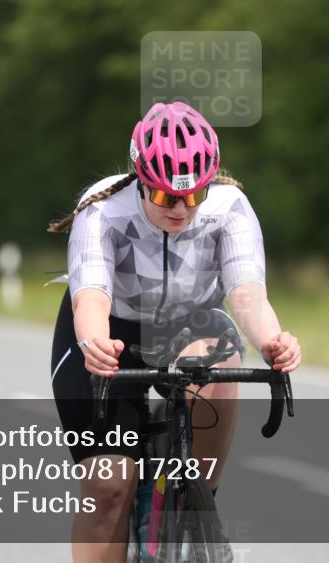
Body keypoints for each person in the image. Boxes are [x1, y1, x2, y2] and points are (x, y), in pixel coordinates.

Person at [48, 101, 301, 562]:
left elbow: (247, 295)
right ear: (141, 180)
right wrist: (94, 343)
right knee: (107, 488)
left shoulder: (230, 208)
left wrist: (272, 341)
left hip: (190, 323)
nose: (181, 209)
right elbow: (91, 299)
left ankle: (197, 501)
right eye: (165, 197)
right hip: (113, 333)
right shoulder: (102, 211)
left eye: (193, 195)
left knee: (222, 362)